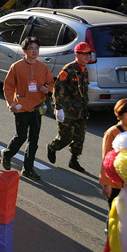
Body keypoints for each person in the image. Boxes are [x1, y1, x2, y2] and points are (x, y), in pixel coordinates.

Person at [1, 36, 54, 181]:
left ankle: (28, 168)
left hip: (37, 108)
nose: (35, 51)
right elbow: (8, 87)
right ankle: (7, 154)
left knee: (34, 139)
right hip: (21, 108)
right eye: (31, 48)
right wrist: (11, 103)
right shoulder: (16, 67)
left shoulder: (43, 68)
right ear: (25, 50)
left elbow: (51, 83)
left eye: (37, 48)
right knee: (21, 136)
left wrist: (46, 89)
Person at [46, 41, 93, 173]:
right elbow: (58, 89)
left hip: (81, 111)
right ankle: (53, 147)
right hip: (67, 111)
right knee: (65, 137)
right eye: (84, 54)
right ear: (77, 54)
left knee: (79, 137)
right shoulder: (68, 70)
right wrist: (58, 107)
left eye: (89, 53)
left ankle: (74, 160)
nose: (87, 56)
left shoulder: (84, 70)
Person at [99, 98, 127, 210]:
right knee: (116, 214)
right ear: (119, 115)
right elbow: (106, 159)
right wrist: (106, 184)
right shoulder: (112, 133)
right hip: (116, 183)